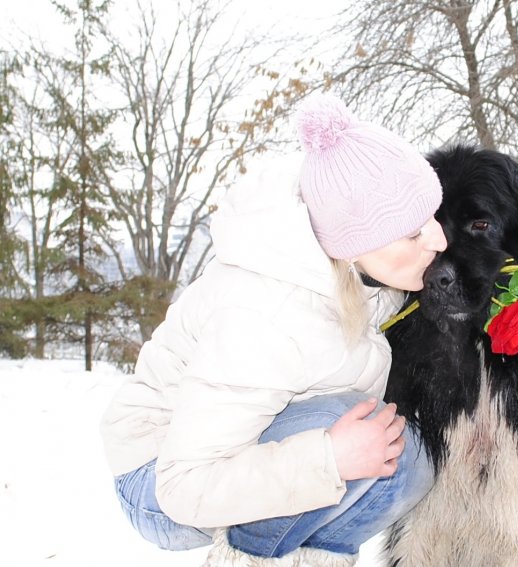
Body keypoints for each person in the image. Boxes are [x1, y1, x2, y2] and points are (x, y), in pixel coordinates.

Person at [99, 94, 447, 567]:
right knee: (370, 436)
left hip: (238, 447)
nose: (439, 240)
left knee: (406, 462)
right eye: (413, 232)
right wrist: (329, 460)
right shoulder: (266, 315)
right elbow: (184, 485)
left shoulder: (354, 266)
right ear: (352, 244)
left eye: (432, 218)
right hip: (158, 482)